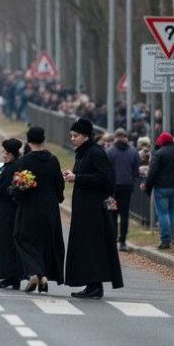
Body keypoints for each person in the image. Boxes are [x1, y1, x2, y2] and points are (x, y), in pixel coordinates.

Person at [62, 118, 123, 299]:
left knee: (92, 246)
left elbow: (105, 179)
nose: (72, 138)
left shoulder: (95, 152)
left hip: (94, 209)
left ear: (86, 136)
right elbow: (85, 174)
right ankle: (90, 284)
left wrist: (78, 178)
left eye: (76, 135)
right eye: (71, 135)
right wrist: (72, 175)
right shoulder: (83, 153)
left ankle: (95, 286)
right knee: (85, 247)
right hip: (84, 208)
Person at [13, 127, 66, 293]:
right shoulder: (53, 160)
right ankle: (43, 276)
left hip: (29, 207)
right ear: (44, 140)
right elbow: (59, 185)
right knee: (46, 242)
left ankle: (35, 273)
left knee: (23, 239)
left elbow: (19, 185)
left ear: (28, 141)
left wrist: (15, 194)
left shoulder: (24, 161)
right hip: (50, 208)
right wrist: (58, 198)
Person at [0, 138, 24, 290]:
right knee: (9, 244)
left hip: (9, 211)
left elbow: (6, 188)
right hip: (9, 209)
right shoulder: (14, 166)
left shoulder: (13, 168)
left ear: (11, 154)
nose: (3, 155)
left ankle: (9, 276)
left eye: (6, 152)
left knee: (6, 243)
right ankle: (13, 278)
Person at [143, 132, 174, 249]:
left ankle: (165, 240)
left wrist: (147, 187)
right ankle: (172, 237)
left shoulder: (159, 154)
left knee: (163, 213)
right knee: (173, 212)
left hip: (161, 187)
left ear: (161, 141)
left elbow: (152, 172)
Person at [106, 128, 139, 251]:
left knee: (112, 214)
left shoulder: (109, 152)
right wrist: (131, 180)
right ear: (126, 137)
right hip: (127, 187)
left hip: (112, 189)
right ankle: (123, 242)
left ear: (115, 137)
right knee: (124, 214)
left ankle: (113, 239)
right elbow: (136, 171)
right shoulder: (133, 152)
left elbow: (105, 171)